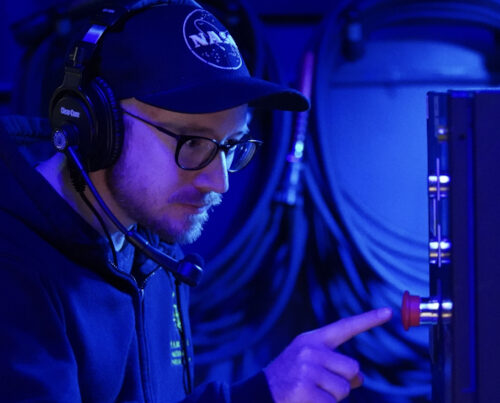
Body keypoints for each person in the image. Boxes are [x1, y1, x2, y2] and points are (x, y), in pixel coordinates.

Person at [0, 0, 393, 402]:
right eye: (191, 142)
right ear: (97, 126)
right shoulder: (14, 268)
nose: (219, 182)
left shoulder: (150, 247)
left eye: (231, 145)